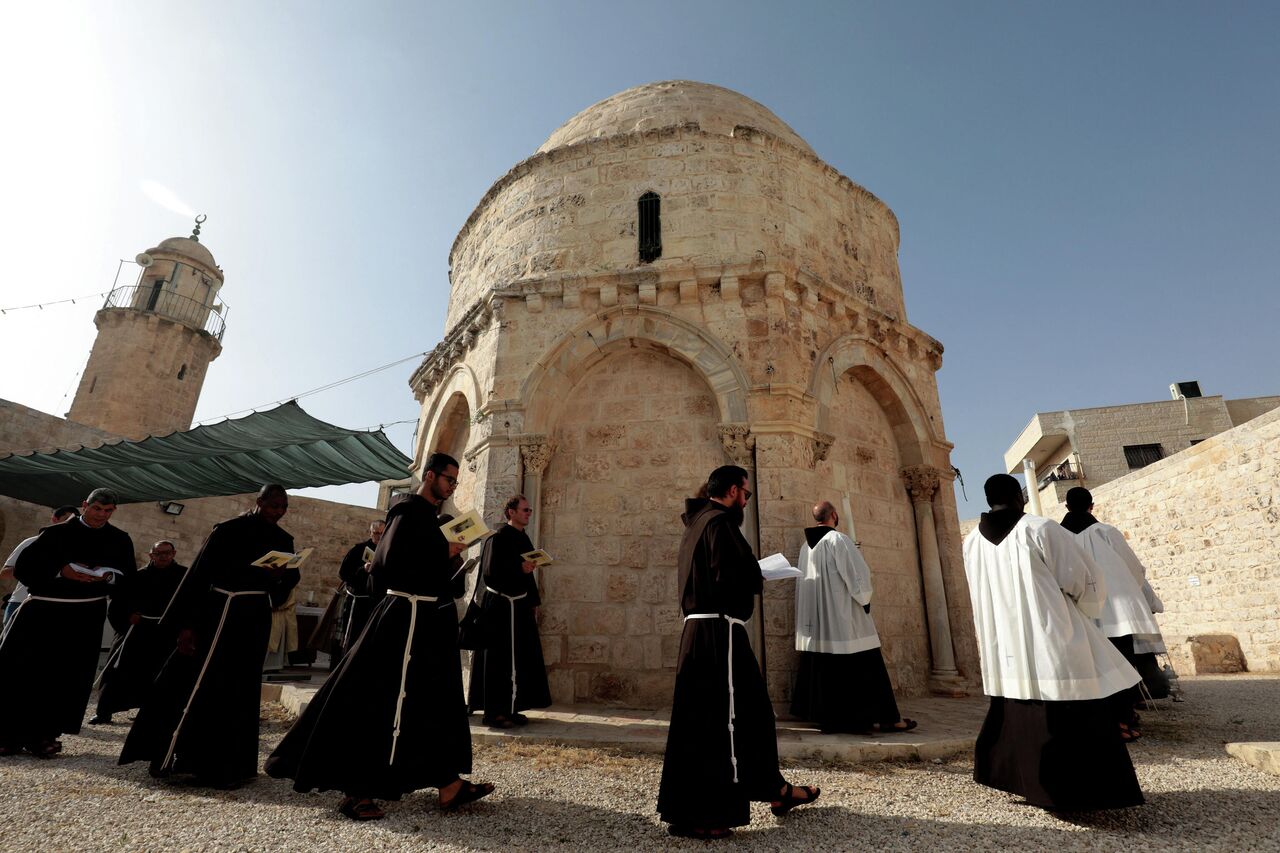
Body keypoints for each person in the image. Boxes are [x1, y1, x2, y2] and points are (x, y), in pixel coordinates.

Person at [266, 453, 493, 821]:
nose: (453, 486)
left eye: (455, 482)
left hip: (427, 622)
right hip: (401, 619)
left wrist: (452, 559)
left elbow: (427, 571)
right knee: (377, 700)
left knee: (433, 701)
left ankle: (448, 784)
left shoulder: (431, 519)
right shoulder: (406, 512)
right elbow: (387, 568)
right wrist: (442, 550)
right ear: (431, 476)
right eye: (449, 479)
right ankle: (357, 790)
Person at [962, 474, 1143, 810]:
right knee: (1070, 713)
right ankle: (1076, 792)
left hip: (1005, 646)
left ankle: (1025, 783)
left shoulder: (971, 542)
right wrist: (1087, 610)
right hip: (1050, 636)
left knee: (1019, 715)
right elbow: (1081, 580)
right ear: (1020, 496)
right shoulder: (1039, 529)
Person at [657, 465, 819, 840]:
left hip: (703, 632)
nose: (746, 500)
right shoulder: (720, 524)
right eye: (745, 493)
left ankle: (771, 790)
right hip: (719, 633)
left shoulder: (697, 523)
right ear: (732, 491)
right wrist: (758, 573)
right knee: (722, 722)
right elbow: (729, 577)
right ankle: (705, 815)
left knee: (726, 717)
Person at [119, 484, 299, 788]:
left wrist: (283, 575)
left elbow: (287, 582)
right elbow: (199, 576)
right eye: (273, 506)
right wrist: (187, 625)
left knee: (241, 687)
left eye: (283, 507)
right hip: (221, 612)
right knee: (205, 683)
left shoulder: (284, 540)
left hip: (254, 616)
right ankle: (185, 757)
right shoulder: (228, 530)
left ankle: (232, 765)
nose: (278, 512)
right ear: (259, 502)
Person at [0, 489, 135, 757]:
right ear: (85, 506)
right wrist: (61, 570)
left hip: (85, 617)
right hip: (43, 613)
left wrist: (108, 578)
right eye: (97, 508)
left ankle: (44, 735)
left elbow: (129, 579)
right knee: (24, 672)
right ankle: (7, 734)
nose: (101, 515)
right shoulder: (55, 534)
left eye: (108, 511)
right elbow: (25, 569)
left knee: (65, 677)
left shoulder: (120, 540)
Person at [790, 500, 916, 734]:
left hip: (818, 625)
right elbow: (857, 577)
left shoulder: (805, 548)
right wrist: (865, 599)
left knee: (826, 670)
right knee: (867, 668)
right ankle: (887, 719)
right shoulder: (838, 540)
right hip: (844, 621)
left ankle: (830, 719)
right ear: (834, 516)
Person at [1061, 486, 1171, 715]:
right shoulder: (1106, 532)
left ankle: (1101, 714)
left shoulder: (1058, 536)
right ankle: (1125, 714)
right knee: (1122, 662)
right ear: (1092, 505)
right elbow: (1133, 568)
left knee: (1091, 665)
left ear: (1067, 507)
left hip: (1080, 612)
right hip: (1116, 613)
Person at [467, 494, 551, 728]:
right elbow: (490, 573)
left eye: (529, 510)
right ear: (511, 512)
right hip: (501, 609)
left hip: (520, 606)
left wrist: (533, 601)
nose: (528, 513)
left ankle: (512, 708)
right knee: (498, 661)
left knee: (520, 658)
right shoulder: (498, 538)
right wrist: (518, 568)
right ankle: (493, 713)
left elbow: (528, 574)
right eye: (524, 509)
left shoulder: (524, 538)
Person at [90, 540, 187, 725]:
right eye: (159, 553)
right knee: (117, 672)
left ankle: (153, 713)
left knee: (160, 673)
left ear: (174, 553)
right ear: (151, 555)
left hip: (167, 632)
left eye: (167, 553)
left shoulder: (185, 576)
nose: (163, 556)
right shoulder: (137, 576)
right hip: (136, 631)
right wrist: (128, 616)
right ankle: (104, 712)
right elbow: (119, 602)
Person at [1, 505, 81, 629]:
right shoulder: (31, 542)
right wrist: (37, 566)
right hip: (22, 603)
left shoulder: (76, 549)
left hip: (55, 606)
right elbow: (4, 573)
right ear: (54, 519)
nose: (69, 524)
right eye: (66, 519)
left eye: (74, 520)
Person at [336, 520, 386, 658]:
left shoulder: (388, 551)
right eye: (376, 533)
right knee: (353, 638)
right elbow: (343, 573)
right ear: (370, 533)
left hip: (377, 603)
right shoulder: (358, 549)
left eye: (383, 533)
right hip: (358, 603)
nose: (379, 537)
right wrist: (362, 570)